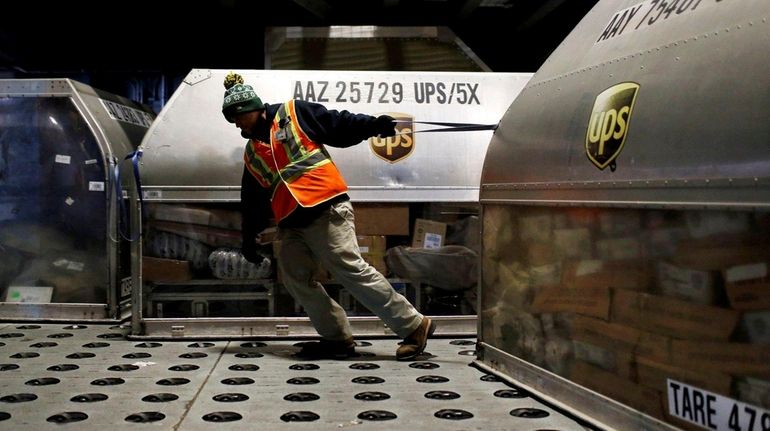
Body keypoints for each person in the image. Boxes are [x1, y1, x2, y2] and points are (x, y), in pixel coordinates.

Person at [221, 72, 435, 360]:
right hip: (292, 221)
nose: (236, 124)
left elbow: (339, 123)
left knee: (350, 270)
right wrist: (249, 239)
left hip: (325, 207)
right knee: (296, 278)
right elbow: (253, 199)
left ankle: (414, 325)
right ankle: (336, 339)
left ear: (253, 109)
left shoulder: (293, 114)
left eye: (238, 117)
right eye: (231, 120)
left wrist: (373, 126)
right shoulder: (252, 152)